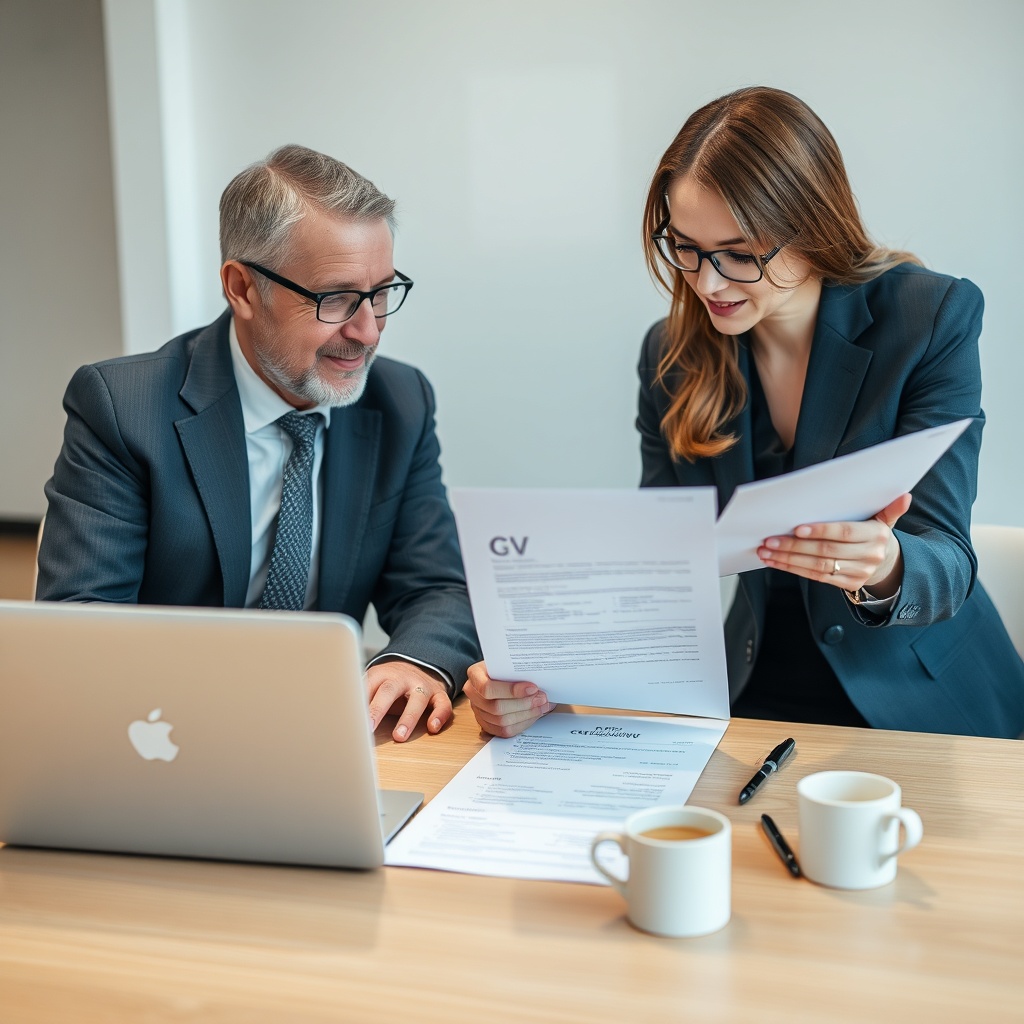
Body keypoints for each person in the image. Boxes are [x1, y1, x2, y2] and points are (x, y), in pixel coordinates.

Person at [465, 86, 1024, 739]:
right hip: (754, 685)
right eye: (686, 248)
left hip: (922, 698)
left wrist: (884, 564)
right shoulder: (671, 355)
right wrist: (535, 673)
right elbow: (656, 565)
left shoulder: (930, 318)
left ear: (812, 228)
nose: (706, 283)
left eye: (738, 254)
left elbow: (948, 561)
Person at [37, 144, 480, 742]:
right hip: (167, 734)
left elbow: (437, 587)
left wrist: (411, 662)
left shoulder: (400, 401)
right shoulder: (123, 407)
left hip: (329, 737)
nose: (368, 330)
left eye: (381, 293)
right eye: (338, 299)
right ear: (242, 288)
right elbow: (80, 625)